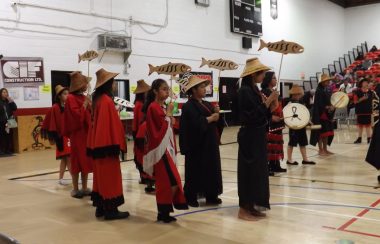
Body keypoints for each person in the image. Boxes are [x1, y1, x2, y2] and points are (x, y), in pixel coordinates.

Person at [237, 58, 278, 221]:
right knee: (249, 171)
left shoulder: (254, 90)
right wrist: (268, 101)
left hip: (257, 136)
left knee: (258, 172)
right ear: (254, 74)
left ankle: (252, 205)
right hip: (249, 137)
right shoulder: (244, 91)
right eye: (262, 73)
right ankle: (243, 209)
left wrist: (271, 105)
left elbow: (262, 114)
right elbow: (251, 116)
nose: (264, 76)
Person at [142, 79, 188, 223]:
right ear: (155, 91)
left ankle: (164, 211)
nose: (167, 92)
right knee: (169, 181)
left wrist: (170, 118)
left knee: (170, 182)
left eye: (167, 89)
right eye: (163, 89)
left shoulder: (162, 107)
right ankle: (163, 211)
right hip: (160, 151)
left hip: (167, 149)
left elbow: (167, 126)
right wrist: (168, 115)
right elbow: (158, 131)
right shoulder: (153, 107)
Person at [87, 68, 129, 220]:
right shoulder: (106, 101)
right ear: (108, 85)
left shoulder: (98, 100)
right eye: (113, 83)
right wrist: (114, 144)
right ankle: (111, 210)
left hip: (98, 145)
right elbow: (107, 127)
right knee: (110, 177)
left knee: (100, 178)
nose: (115, 86)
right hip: (106, 146)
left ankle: (101, 207)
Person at [179, 74, 223, 208]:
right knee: (195, 170)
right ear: (193, 90)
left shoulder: (207, 104)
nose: (205, 89)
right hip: (196, 144)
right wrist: (211, 118)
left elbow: (215, 118)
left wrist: (216, 112)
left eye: (205, 86)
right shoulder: (188, 106)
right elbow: (195, 123)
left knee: (211, 168)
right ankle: (190, 196)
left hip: (209, 143)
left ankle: (211, 194)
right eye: (202, 87)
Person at [63, 72, 93, 198]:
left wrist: (89, 104)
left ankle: (85, 187)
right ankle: (75, 189)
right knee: (76, 161)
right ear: (80, 85)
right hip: (77, 134)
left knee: (85, 160)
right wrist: (86, 104)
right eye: (85, 83)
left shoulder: (82, 97)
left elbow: (89, 114)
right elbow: (76, 117)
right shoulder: (70, 98)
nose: (87, 85)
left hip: (86, 133)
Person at [41, 85, 72, 185]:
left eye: (68, 94)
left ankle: (61, 179)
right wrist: (54, 136)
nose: (67, 96)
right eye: (64, 94)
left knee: (64, 159)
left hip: (68, 136)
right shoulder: (55, 107)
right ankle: (74, 177)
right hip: (61, 137)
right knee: (68, 158)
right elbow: (49, 122)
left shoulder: (68, 106)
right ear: (59, 96)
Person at [261, 71, 286, 174]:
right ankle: (268, 167)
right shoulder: (264, 92)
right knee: (270, 145)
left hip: (278, 122)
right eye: (273, 78)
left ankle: (276, 165)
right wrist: (271, 117)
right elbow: (265, 108)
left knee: (277, 144)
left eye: (275, 78)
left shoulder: (275, 91)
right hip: (270, 122)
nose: (276, 80)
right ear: (268, 80)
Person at [132, 79, 155, 193]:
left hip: (140, 131)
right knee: (142, 156)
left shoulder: (138, 104)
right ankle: (146, 178)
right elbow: (139, 122)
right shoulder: (140, 105)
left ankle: (144, 177)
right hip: (141, 132)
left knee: (141, 156)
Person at [286, 85, 316, 166]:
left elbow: (304, 114)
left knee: (303, 142)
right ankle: (289, 159)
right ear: (294, 94)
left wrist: (308, 121)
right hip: (294, 126)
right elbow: (287, 115)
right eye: (297, 94)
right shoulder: (290, 103)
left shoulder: (301, 102)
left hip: (301, 126)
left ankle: (305, 159)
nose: (299, 96)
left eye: (299, 94)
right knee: (291, 143)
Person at [310, 74, 335, 156]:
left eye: (328, 80)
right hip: (320, 115)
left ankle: (325, 149)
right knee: (320, 133)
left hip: (326, 114)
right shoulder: (319, 91)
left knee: (326, 133)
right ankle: (320, 150)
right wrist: (328, 107)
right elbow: (319, 104)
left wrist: (331, 107)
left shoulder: (325, 90)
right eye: (327, 81)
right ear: (323, 82)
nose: (328, 82)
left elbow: (327, 102)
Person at [353, 79, 373, 144]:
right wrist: (362, 99)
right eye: (364, 82)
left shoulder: (371, 92)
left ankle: (369, 138)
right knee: (360, 125)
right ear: (361, 84)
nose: (366, 83)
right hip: (360, 111)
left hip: (368, 111)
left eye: (367, 82)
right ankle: (359, 138)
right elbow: (355, 102)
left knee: (368, 125)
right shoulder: (357, 91)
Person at [0, 88, 17, 155]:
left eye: (6, 92)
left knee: (8, 136)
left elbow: (15, 108)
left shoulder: (9, 101)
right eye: (3, 92)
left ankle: (8, 150)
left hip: (9, 121)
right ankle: (2, 151)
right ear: (0, 94)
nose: (5, 93)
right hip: (1, 122)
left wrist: (11, 101)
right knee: (2, 136)